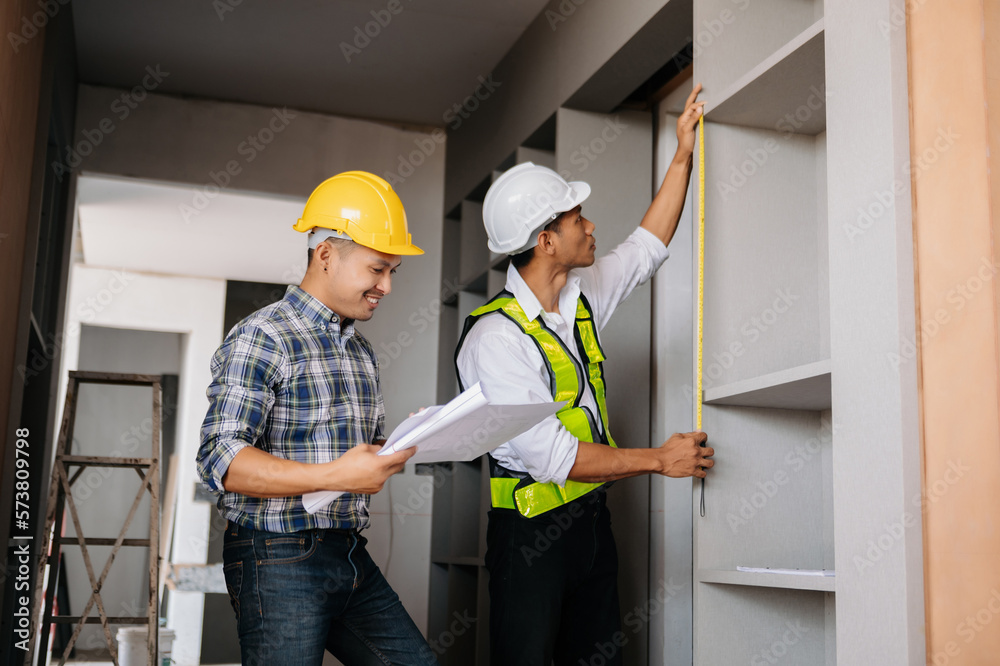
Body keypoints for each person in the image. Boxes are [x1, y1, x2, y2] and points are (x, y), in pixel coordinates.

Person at [455, 85, 714, 665]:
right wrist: (658, 459)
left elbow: (646, 246)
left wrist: (682, 155)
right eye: (577, 217)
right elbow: (556, 459)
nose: (590, 223)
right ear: (546, 239)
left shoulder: (580, 295)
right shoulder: (496, 338)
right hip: (529, 539)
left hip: (591, 525)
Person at [197, 171, 439, 666]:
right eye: (377, 269)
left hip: (347, 552)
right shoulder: (265, 336)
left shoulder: (361, 351)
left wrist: (411, 441)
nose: (387, 286)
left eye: (393, 271)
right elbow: (220, 459)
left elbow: (354, 459)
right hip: (276, 555)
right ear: (326, 254)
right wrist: (335, 475)